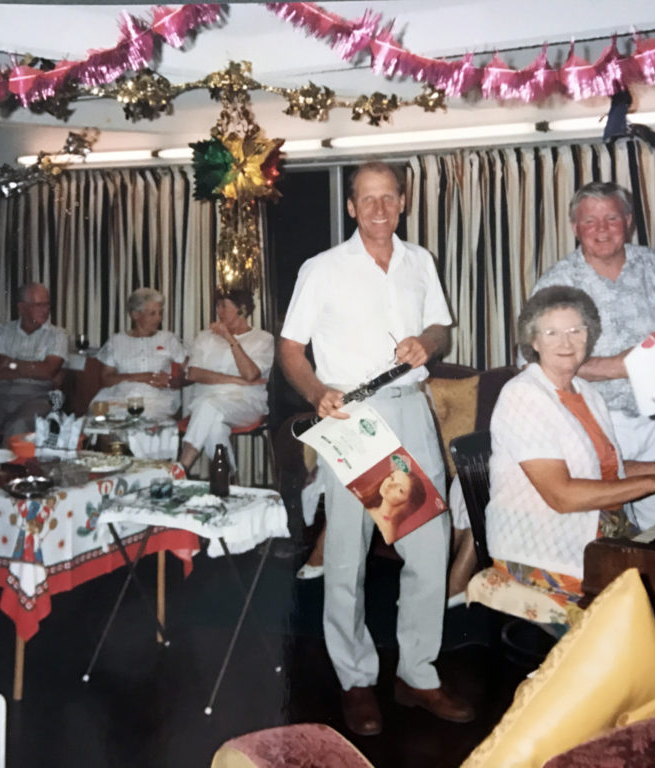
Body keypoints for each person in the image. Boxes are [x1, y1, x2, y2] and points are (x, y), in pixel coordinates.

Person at [279, 160, 473, 736]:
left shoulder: (420, 263)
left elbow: (441, 328)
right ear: (350, 207)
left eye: (388, 198)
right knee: (345, 556)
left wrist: (427, 343)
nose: (379, 210)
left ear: (403, 202)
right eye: (367, 199)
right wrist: (317, 392)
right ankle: (356, 678)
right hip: (353, 420)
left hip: (410, 409)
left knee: (428, 549)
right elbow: (290, 349)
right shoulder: (323, 268)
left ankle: (417, 672)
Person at [487, 286, 655, 618]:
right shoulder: (523, 397)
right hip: (544, 547)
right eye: (552, 333)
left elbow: (608, 470)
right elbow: (563, 496)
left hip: (600, 531)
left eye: (576, 330)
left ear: (591, 336)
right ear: (534, 342)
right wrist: (653, 484)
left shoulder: (586, 392)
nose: (566, 342)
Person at [532, 181, 655, 530]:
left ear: (628, 221)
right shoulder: (557, 284)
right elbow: (534, 362)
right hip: (593, 424)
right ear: (575, 227)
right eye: (590, 221)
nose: (601, 230)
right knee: (603, 534)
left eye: (612, 218)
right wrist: (617, 367)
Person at [178, 288, 274, 475]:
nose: (218, 311)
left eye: (224, 306)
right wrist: (236, 380)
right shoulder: (204, 337)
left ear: (242, 310)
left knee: (209, 407)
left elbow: (251, 375)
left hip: (245, 403)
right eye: (217, 306)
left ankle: (182, 466)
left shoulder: (262, 339)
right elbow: (194, 373)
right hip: (206, 402)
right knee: (214, 426)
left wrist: (229, 338)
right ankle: (228, 480)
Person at [0, 282, 68, 450]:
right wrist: (34, 369)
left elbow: (48, 371)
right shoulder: (1, 331)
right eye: (38, 305)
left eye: (47, 304)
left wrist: (10, 364)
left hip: (36, 397)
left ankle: (9, 474)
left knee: (19, 426)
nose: (45, 309)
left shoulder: (57, 335)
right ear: (21, 308)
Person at [89, 288, 186, 422]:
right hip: (120, 396)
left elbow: (187, 371)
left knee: (144, 418)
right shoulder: (117, 341)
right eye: (152, 314)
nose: (159, 318)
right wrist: (140, 377)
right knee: (101, 418)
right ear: (135, 315)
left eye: (160, 313)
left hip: (157, 398)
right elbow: (105, 379)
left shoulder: (168, 339)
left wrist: (171, 379)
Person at [351, 454, 428, 544]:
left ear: (407, 502)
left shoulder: (389, 532)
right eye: (392, 478)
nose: (390, 485)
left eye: (400, 490)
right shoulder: (368, 504)